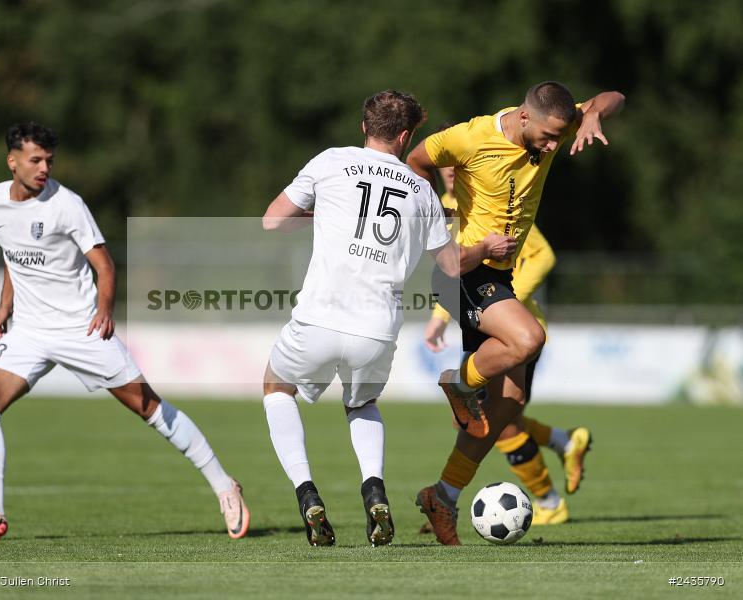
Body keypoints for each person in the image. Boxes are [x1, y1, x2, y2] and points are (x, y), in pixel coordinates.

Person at [0, 123, 249, 540]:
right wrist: (5, 305)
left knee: (149, 408)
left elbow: (104, 264)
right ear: (12, 162)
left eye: (49, 160)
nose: (44, 168)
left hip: (80, 326)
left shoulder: (67, 205)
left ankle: (224, 485)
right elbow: (14, 254)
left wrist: (104, 310)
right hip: (29, 329)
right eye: (35, 160)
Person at [407, 81, 624, 544]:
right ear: (524, 117)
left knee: (507, 408)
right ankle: (460, 380)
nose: (552, 147)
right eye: (547, 136)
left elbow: (614, 96)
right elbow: (416, 161)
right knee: (528, 340)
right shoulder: (469, 137)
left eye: (557, 137)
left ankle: (442, 495)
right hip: (463, 272)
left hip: (497, 278)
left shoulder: (556, 125)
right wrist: (437, 229)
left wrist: (593, 115)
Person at [260, 90, 470, 547]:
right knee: (361, 404)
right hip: (377, 328)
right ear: (405, 135)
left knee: (277, 388)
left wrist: (322, 214)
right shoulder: (422, 189)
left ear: (364, 128)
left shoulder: (331, 161)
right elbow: (452, 265)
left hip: (319, 315)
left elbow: (272, 221)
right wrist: (485, 248)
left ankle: (306, 493)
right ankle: (374, 488)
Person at [423, 165, 591, 523]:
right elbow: (453, 268)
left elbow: (542, 254)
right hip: (483, 325)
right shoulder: (442, 205)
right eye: (445, 169)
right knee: (485, 418)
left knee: (500, 417)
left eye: (458, 167)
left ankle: (549, 502)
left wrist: (506, 299)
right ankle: (563, 441)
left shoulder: (493, 205)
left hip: (515, 331)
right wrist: (439, 318)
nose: (451, 174)